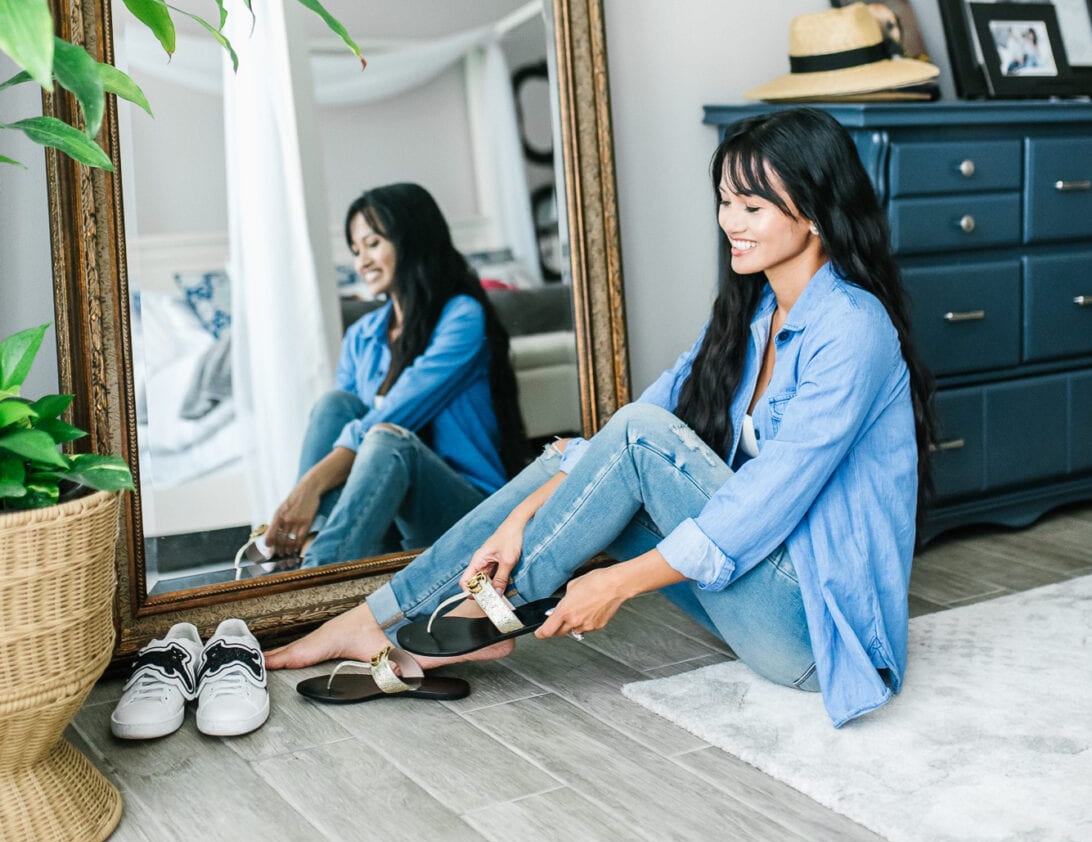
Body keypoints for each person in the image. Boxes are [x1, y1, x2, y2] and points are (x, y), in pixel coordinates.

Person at [267, 110, 935, 727]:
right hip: (748, 594)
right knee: (573, 454)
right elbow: (627, 429)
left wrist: (614, 582)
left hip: (815, 632)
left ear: (814, 211)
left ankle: (471, 626)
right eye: (726, 201)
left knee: (639, 439)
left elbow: (763, 504)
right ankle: (379, 615)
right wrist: (519, 519)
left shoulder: (852, 328)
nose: (731, 220)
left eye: (752, 205)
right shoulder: (753, 317)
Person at [261, 183, 526, 566]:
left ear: (412, 238)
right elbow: (349, 431)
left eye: (372, 244)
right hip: (385, 515)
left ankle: (315, 573)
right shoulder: (362, 336)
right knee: (336, 405)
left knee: (387, 439)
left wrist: (308, 486)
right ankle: (313, 549)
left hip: (464, 512)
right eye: (355, 250)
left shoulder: (463, 317)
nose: (361, 261)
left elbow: (395, 416)